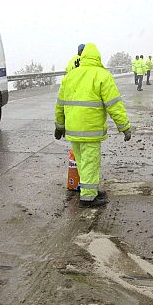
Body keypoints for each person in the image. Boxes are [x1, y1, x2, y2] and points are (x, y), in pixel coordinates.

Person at [55, 43, 132, 206]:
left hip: (73, 130)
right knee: (90, 162)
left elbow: (60, 104)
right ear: (97, 57)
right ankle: (88, 197)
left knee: (82, 162)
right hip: (90, 130)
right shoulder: (102, 75)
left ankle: (90, 189)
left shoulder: (70, 76)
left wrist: (59, 126)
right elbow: (114, 105)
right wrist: (124, 127)